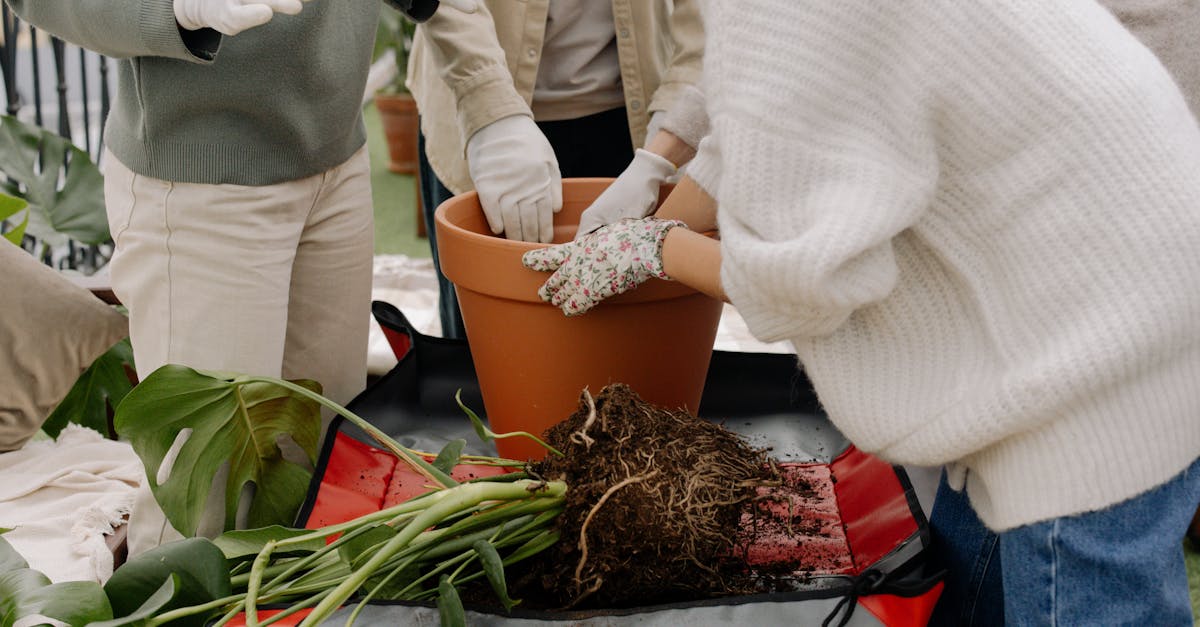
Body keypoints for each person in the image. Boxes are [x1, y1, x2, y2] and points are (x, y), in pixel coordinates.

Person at [522, 1, 1200, 623]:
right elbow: (779, 115)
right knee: (969, 588)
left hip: (1098, 327)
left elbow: (801, 282)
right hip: (1103, 254)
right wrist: (654, 191)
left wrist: (657, 247)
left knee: (1079, 587)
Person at [4, 0, 471, 555]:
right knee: (205, 511)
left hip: (335, 155)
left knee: (321, 463)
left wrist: (494, 110)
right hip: (203, 175)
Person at [406, 0, 704, 338]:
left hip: (634, 122)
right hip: (477, 120)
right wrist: (488, 105)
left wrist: (668, 139)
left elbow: (713, 20)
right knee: (485, 344)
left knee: (629, 341)